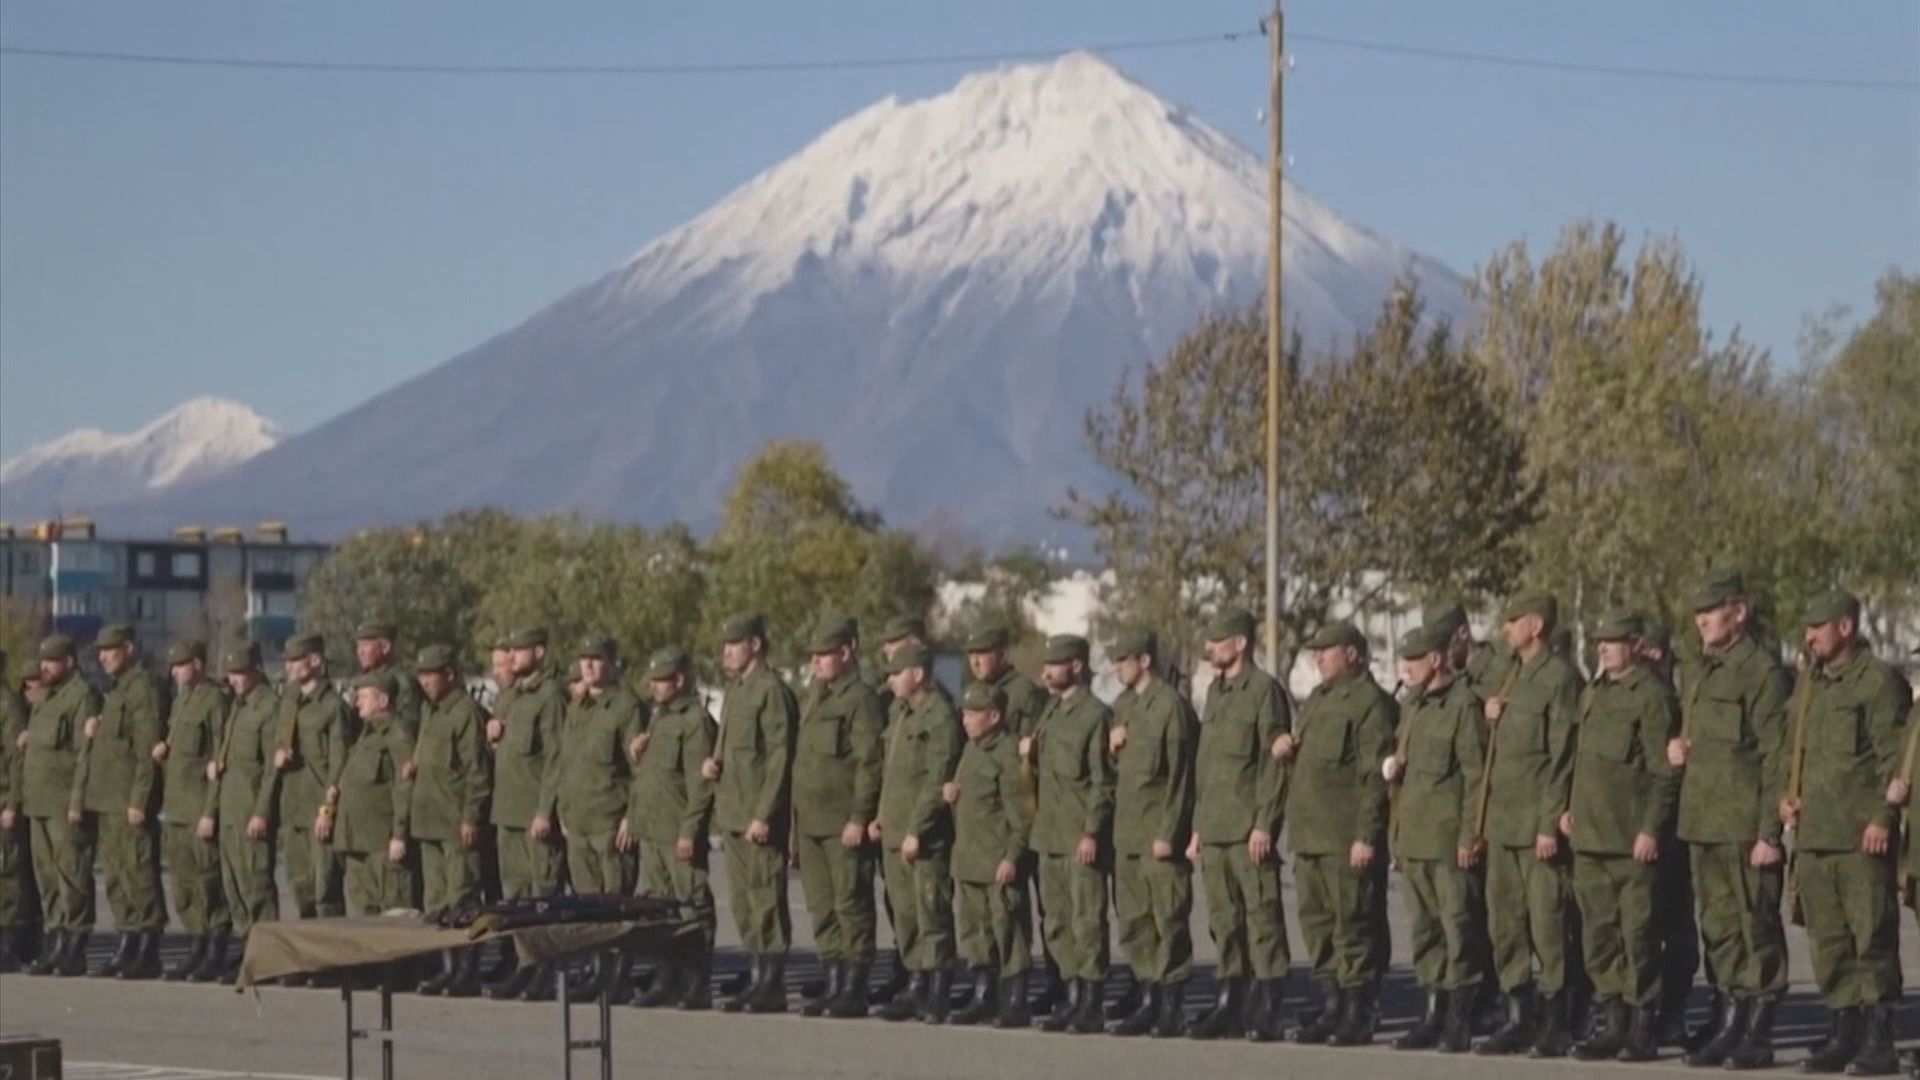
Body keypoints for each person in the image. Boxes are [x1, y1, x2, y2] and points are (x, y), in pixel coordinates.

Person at [1670, 569, 1791, 1068]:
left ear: (1738, 612)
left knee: (1754, 926)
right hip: (1704, 820)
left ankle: (1757, 1030)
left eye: (1711, 610)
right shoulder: (1703, 671)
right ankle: (1729, 1017)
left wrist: (1769, 832)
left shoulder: (1759, 671)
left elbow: (1774, 755)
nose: (1702, 620)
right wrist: (1681, 748)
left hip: (1743, 824)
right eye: (1698, 613)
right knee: (1718, 927)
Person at [1794, 590, 1911, 1075]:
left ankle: (1879, 1037)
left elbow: (1895, 759)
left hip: (1861, 835)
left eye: (1817, 627)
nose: (1809, 637)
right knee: (1830, 941)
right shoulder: (1812, 686)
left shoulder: (1878, 682)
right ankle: (1845, 1030)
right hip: (1816, 833)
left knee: (1872, 938)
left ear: (1845, 627)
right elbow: (1797, 749)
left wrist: (1883, 819)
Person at [1563, 611, 1680, 1063]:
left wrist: (1651, 828)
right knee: (1599, 936)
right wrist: (1570, 808)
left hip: (1629, 839)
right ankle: (1612, 1021)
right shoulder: (1593, 693)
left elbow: (1662, 773)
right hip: (1591, 838)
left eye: (1613, 641)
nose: (1604, 648)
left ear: (1635, 644)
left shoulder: (1650, 697)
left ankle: (1642, 1025)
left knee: (1639, 935)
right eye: (1599, 642)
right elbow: (1584, 762)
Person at [1473, 592, 1582, 1058]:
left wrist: (1548, 822)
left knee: (1548, 924)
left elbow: (1563, 755)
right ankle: (1518, 1014)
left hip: (1535, 822)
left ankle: (1557, 1019)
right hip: (1502, 823)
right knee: (1506, 925)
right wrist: (1490, 711)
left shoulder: (1558, 678)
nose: (1506, 630)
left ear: (1535, 625)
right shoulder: (1510, 674)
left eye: (1513, 621)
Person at [1277, 621, 1396, 1047]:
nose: (1318, 658)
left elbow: (1373, 776)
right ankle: (1332, 1002)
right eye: (1317, 651)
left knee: (1354, 925)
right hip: (1310, 834)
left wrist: (1366, 835)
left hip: (1345, 836)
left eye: (1326, 650)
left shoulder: (1370, 704)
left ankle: (1359, 1009)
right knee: (1318, 924)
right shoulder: (1317, 700)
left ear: (1352, 654)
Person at [1186, 608, 1292, 1042]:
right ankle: (1231, 998)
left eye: (1219, 639)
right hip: (1215, 828)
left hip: (1249, 827)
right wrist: (1197, 827)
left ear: (1242, 643)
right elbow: (1206, 766)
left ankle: (1268, 1003)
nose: (1210, 648)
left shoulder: (1263, 691)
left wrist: (1265, 823)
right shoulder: (1215, 693)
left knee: (1262, 918)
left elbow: (1274, 763)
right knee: (1225, 922)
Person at [1383, 622, 1488, 1053]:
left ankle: (1460, 1017)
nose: (1404, 669)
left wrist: (1471, 836)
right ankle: (1432, 1012)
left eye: (1412, 660)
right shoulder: (1413, 707)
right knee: (1425, 931)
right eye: (1402, 661)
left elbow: (1476, 776)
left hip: (1448, 839)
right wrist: (1397, 838)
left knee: (1458, 927)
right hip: (1415, 837)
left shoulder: (1462, 705)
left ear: (1436, 660)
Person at [537, 636, 645, 1001]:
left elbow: (638, 769)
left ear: (612, 663)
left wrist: (632, 817)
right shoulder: (577, 707)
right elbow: (565, 764)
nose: (589, 666)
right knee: (588, 903)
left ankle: (619, 974)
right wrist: (561, 811)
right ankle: (597, 970)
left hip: (610, 821)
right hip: (579, 823)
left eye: (597, 659)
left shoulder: (626, 706)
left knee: (615, 902)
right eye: (584, 659)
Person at [791, 618, 885, 1019]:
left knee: (851, 903)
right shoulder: (816, 698)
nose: (816, 663)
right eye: (813, 656)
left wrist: (860, 816)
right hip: (811, 822)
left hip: (842, 822)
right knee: (822, 906)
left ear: (846, 653)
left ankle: (854, 985)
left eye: (824, 655)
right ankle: (833, 978)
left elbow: (870, 762)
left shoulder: (859, 699)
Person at [1105, 628, 1196, 1038]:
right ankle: (1147, 997)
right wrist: (1112, 745)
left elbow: (1180, 777)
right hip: (1127, 832)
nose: (1117, 667)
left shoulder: (1169, 706)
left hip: (1158, 833)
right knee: (1135, 922)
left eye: (1123, 659)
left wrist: (1171, 831)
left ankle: (1171, 1004)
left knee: (1168, 920)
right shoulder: (1124, 706)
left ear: (1144, 661)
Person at [707, 613, 799, 1015]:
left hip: (757, 816)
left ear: (756, 645)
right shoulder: (737, 691)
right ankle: (756, 971)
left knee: (765, 899)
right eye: (725, 645)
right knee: (744, 902)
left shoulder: (770, 692)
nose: (727, 651)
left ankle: (772, 982)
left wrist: (765, 812)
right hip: (733, 812)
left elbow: (779, 758)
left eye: (735, 643)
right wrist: (715, 763)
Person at [1028, 633, 1115, 1035]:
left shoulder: (1094, 715)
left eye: (1055, 664)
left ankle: (1091, 1002)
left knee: (1086, 921)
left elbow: (1102, 781)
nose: (1046, 672)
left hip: (1079, 834)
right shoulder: (1050, 713)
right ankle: (1070, 993)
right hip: (1049, 834)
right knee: (1057, 922)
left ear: (1077, 666)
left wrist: (1092, 831)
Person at [874, 642, 964, 1023]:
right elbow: (892, 773)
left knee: (932, 913)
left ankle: (939, 990)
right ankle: (916, 984)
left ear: (918, 674)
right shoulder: (901, 714)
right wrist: (880, 816)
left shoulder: (938, 717)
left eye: (898, 673)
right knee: (906, 915)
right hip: (894, 830)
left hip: (923, 837)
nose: (892, 680)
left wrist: (917, 829)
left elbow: (936, 779)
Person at [76, 623, 170, 979]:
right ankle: (128, 940)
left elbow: (148, 750)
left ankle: (147, 947)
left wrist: (140, 799)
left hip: (129, 799)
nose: (102, 656)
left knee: (139, 873)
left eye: (109, 649)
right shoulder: (117, 692)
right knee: (118, 877)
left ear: (128, 649)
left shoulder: (142, 688)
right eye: (100, 651)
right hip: (109, 799)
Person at [629, 645, 719, 1011]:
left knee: (692, 906)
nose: (655, 687)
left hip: (677, 830)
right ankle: (666, 977)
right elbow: (651, 777)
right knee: (660, 907)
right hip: (653, 830)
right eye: (652, 680)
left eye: (662, 681)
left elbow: (701, 784)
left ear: (679, 680)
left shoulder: (693, 720)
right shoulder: (659, 717)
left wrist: (690, 831)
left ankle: (696, 981)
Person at [946, 681, 1035, 1029]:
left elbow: (1022, 815)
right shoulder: (972, 750)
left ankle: (1015, 999)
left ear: (994, 716)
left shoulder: (1007, 754)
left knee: (1008, 930)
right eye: (964, 713)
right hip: (969, 858)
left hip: (997, 859)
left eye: (973, 713)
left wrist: (1012, 857)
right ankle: (985, 992)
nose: (966, 720)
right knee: (976, 931)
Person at [486, 628, 565, 1001]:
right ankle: (524, 963)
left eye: (520, 650)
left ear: (539, 651)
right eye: (511, 650)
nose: (513, 656)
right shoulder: (512, 696)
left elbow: (555, 757)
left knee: (542, 894)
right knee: (515, 895)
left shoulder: (549, 696)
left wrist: (545, 810)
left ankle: (546, 969)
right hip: (508, 810)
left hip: (534, 811)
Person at [409, 644, 491, 997]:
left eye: (432, 674)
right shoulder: (431, 712)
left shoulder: (465, 713)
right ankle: (446, 967)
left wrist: (471, 816)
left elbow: (477, 771)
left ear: (450, 675)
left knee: (463, 900)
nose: (426, 681)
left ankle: (467, 970)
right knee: (437, 904)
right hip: (430, 820)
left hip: (455, 821)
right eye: (422, 675)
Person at [23, 635, 99, 976]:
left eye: (51, 662)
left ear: (69, 661)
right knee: (47, 876)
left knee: (72, 874)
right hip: (38, 801)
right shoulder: (46, 698)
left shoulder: (81, 697)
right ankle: (55, 939)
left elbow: (85, 755)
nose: (44, 668)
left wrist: (77, 800)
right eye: (42, 662)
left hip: (63, 801)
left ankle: (75, 944)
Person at [157, 639, 231, 981]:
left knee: (207, 883)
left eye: (182, 664)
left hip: (199, 805)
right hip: (176, 807)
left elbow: (220, 758)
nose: (175, 671)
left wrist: (210, 811)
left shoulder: (214, 699)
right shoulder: (181, 700)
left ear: (198, 664)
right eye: (173, 666)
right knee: (184, 884)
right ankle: (196, 945)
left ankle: (216, 948)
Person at [208, 642, 279, 983]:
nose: (234, 680)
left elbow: (270, 769)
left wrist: (262, 811)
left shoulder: (268, 708)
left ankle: (266, 957)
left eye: (240, 673)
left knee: (257, 885)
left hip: (250, 808)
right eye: (231, 674)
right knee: (233, 883)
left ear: (256, 671)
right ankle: (244, 949)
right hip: (230, 809)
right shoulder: (237, 707)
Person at [274, 633, 354, 936]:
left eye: (296, 661)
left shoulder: (332, 707)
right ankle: (311, 954)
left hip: (319, 807)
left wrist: (328, 808)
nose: (290, 668)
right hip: (294, 805)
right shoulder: (290, 703)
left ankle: (333, 955)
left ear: (316, 661)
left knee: (326, 889)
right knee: (301, 886)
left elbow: (339, 763)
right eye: (288, 662)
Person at [333, 672, 416, 919]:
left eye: (364, 697)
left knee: (395, 913)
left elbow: (404, 787)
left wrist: (399, 834)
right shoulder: (366, 735)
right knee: (363, 915)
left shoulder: (398, 735)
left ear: (382, 701)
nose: (357, 702)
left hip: (382, 843)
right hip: (357, 842)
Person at [0, 650, 38, 972]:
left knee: (8, 874)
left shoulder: (7, 707)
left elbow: (16, 762)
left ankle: (9, 944)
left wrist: (12, 804)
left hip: (3, 801)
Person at [354, 620, 421, 738]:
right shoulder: (366, 678)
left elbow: (408, 726)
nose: (360, 652)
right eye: (358, 646)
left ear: (385, 647)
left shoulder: (403, 680)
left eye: (365, 645)